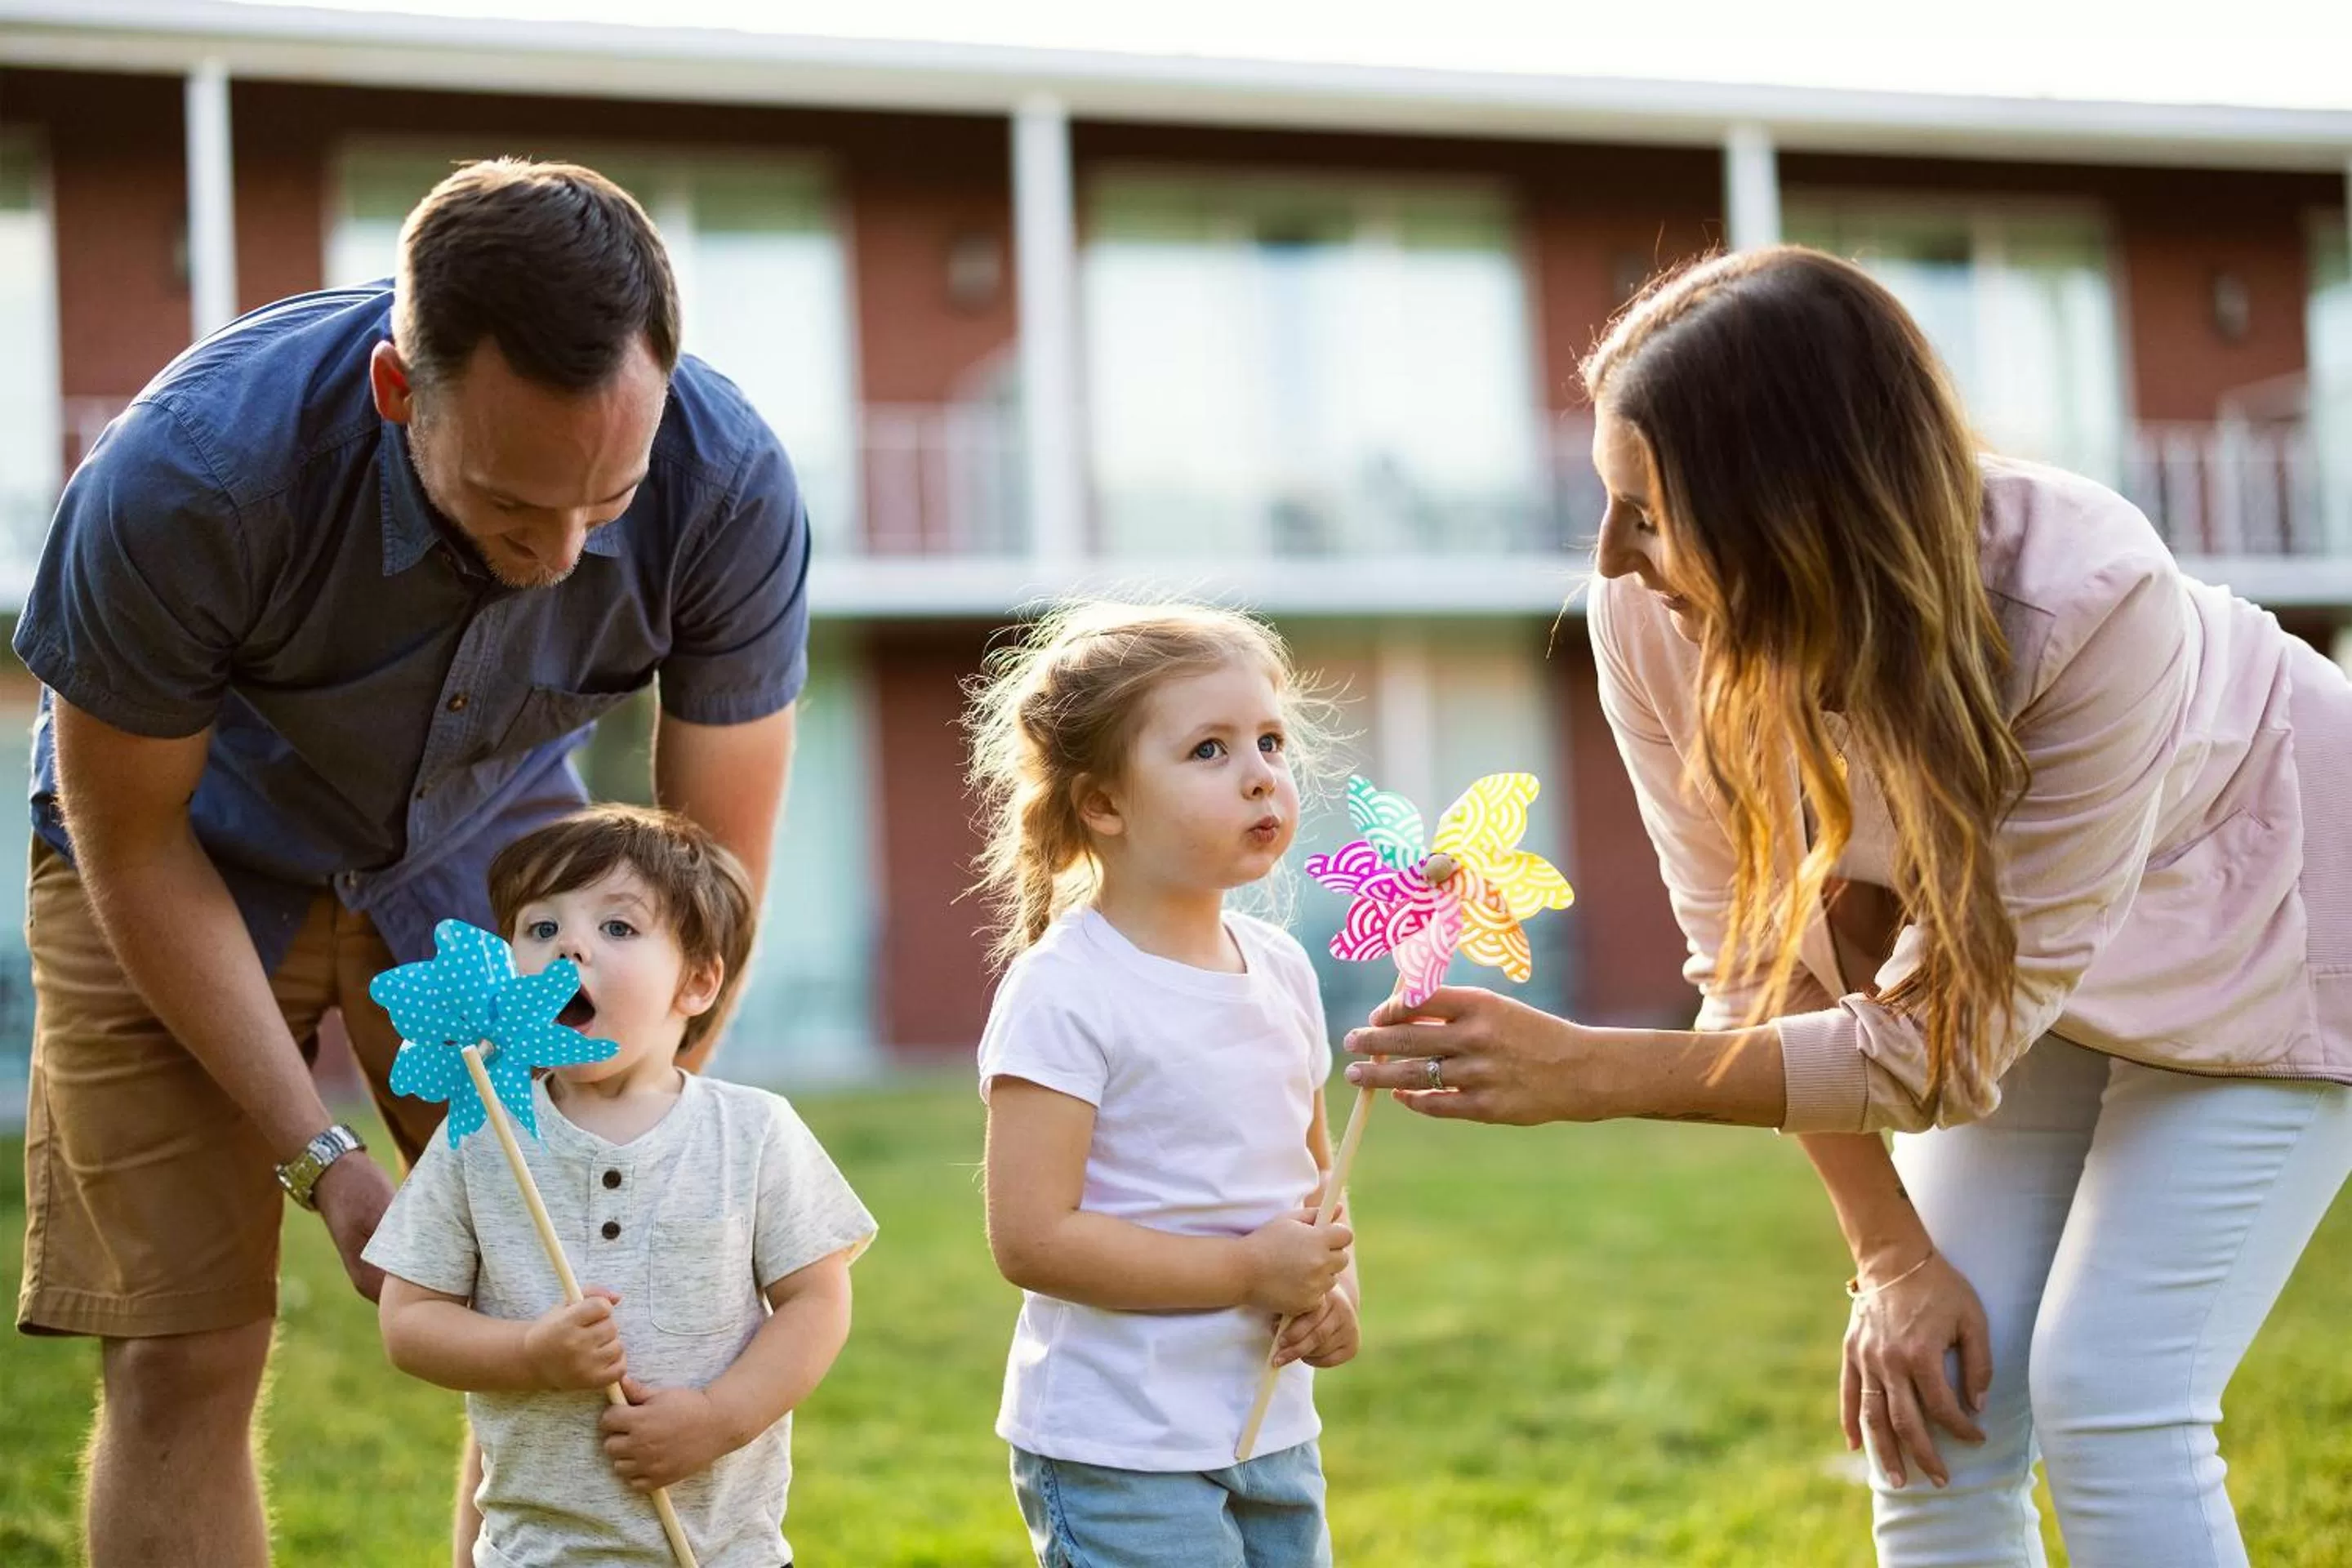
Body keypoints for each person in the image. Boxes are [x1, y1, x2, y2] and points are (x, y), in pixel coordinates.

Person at [1343, 247, 2352, 1567]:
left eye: (1648, 513)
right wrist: (1893, 1262)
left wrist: (1595, 1072)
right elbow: (1757, 961)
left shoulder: (2087, 602)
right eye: (1609, 500)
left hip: (2270, 911)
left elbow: (1939, 1055)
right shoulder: (1649, 620)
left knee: (2114, 1393)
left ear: (1792, 507)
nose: (1611, 556)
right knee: (1934, 1409)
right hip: (1994, 960)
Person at [13, 158, 808, 1568]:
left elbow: (703, 888)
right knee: (185, 1350)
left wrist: (648, 1111)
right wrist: (325, 1163)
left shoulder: (727, 482)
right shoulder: (188, 476)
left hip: (488, 862)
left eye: (607, 499)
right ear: (399, 391)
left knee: (558, 1319)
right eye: (513, 503)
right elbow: (130, 837)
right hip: (188, 862)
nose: (560, 554)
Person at [367, 804, 875, 1567]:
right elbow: (409, 1322)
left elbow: (816, 1302)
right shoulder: (480, 1136)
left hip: (724, 1551)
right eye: (541, 928)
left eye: (618, 927)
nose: (570, 945)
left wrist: (717, 1417)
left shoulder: (753, 1131)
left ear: (697, 983)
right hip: (538, 1552)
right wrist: (531, 1354)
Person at [965, 601, 1360, 1568]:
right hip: (1121, 1443)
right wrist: (1247, 1274)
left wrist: (1334, 1290)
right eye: (1210, 750)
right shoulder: (1067, 990)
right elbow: (1033, 1239)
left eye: (1269, 741)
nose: (1261, 773)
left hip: (1269, 1425)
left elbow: (1318, 1177)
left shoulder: (1283, 969)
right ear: (1104, 804)